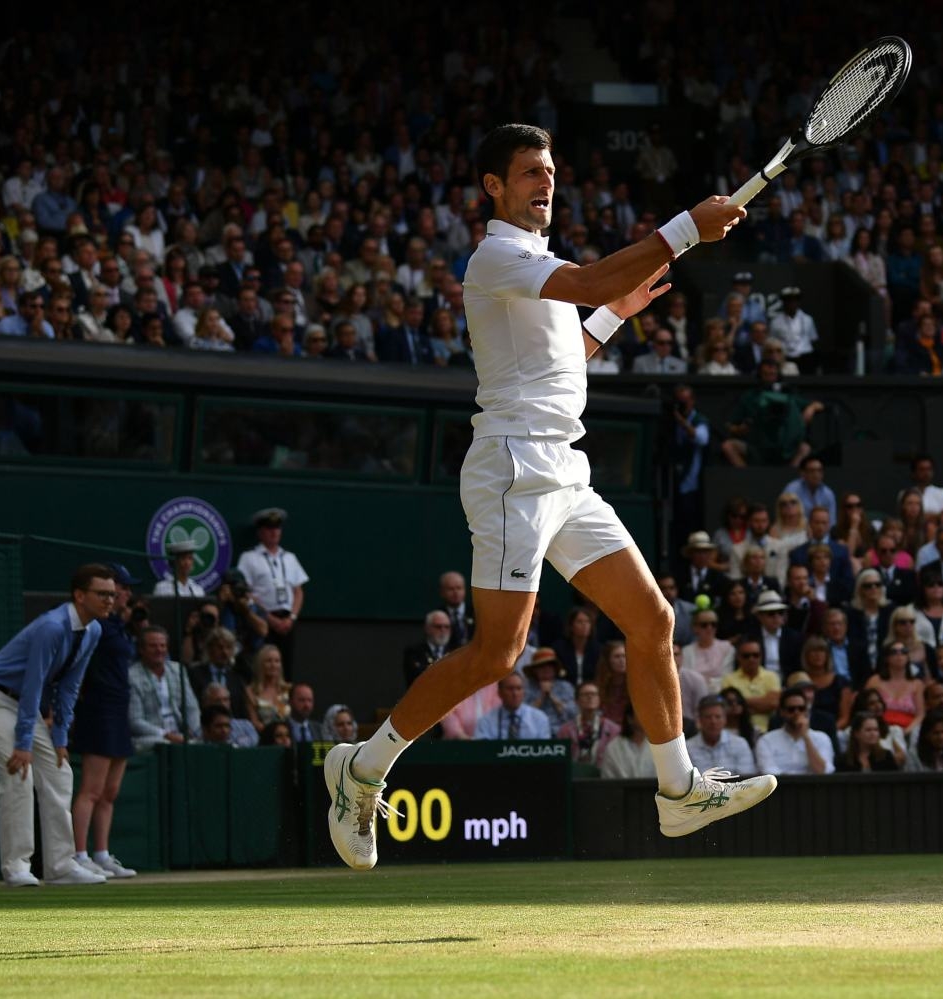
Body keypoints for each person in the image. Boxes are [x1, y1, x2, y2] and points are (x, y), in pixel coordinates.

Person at [322, 123, 770, 867]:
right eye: (531, 171)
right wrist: (690, 226)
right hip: (512, 470)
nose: (546, 181)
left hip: (566, 470)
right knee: (499, 651)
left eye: (551, 170)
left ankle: (678, 789)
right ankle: (362, 767)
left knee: (652, 618)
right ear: (493, 187)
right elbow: (593, 278)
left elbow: (564, 353)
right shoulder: (498, 255)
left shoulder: (536, 266)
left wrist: (609, 319)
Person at [0, 565, 114, 886]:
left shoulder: (94, 631)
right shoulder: (52, 627)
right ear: (79, 595)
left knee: (60, 772)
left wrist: (60, 735)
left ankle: (61, 866)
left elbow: (71, 686)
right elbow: (34, 684)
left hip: (22, 706)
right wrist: (22, 742)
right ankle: (17, 867)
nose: (109, 601)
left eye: (112, 595)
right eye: (102, 594)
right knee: (19, 773)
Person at [69, 563, 142, 880]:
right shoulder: (96, 627)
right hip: (98, 710)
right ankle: (79, 855)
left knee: (110, 791)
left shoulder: (117, 626)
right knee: (91, 790)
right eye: (118, 590)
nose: (123, 595)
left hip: (119, 710)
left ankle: (100, 854)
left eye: (122, 590)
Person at [235, 508, 308, 677]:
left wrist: (292, 618)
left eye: (277, 528)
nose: (274, 532)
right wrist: (268, 617)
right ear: (260, 532)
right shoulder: (249, 557)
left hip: (287, 621)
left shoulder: (290, 558)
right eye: (269, 528)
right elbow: (246, 592)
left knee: (285, 666)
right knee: (262, 664)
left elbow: (298, 591)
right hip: (263, 621)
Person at [127, 625, 201, 751]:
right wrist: (166, 734)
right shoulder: (131, 675)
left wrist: (192, 731)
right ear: (141, 649)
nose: (159, 650)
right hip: (152, 737)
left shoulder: (178, 670)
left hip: (181, 734)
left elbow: (191, 707)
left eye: (162, 645)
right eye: (153, 646)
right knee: (163, 744)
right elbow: (135, 721)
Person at [754, 687, 834, 775]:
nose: (797, 712)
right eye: (791, 709)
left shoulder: (822, 738)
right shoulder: (767, 741)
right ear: (782, 712)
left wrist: (806, 737)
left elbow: (822, 771)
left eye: (801, 708)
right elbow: (768, 772)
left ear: (807, 711)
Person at [687, 695, 757, 775]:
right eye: (708, 717)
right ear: (699, 720)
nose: (713, 721)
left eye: (718, 717)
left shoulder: (740, 744)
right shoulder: (687, 748)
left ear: (725, 719)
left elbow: (747, 778)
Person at [402, 611, 455, 691]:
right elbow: (418, 677)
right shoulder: (414, 652)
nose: (443, 630)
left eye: (447, 627)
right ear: (427, 628)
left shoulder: (456, 652)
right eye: (438, 626)